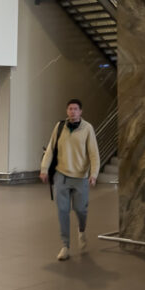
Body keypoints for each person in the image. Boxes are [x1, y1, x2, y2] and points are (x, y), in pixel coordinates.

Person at [39, 98, 99, 261]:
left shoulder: (87, 129)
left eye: (75, 109)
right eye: (70, 109)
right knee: (62, 211)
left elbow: (93, 153)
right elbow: (50, 149)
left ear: (81, 112)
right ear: (67, 111)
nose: (72, 111)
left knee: (81, 210)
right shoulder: (59, 127)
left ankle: (81, 230)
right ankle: (65, 245)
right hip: (61, 175)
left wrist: (93, 174)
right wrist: (44, 169)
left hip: (80, 177)